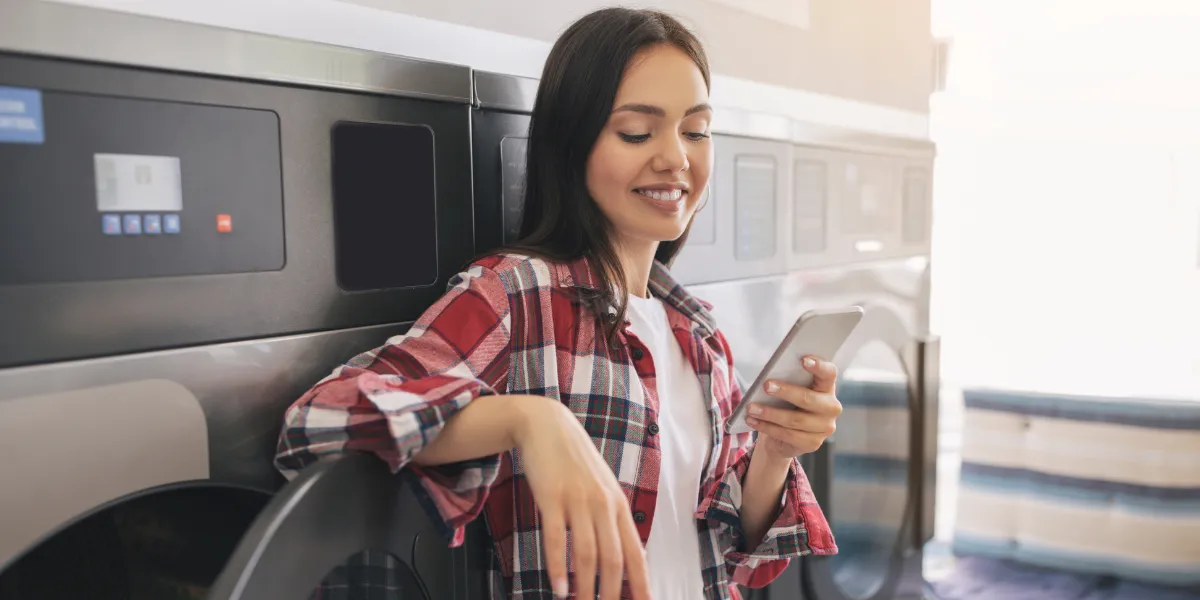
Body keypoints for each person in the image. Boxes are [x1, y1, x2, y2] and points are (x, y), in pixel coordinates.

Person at [274, 7, 841, 600]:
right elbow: (316, 422)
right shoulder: (516, 296)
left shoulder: (696, 333)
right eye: (637, 132)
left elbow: (732, 551)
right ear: (573, 145)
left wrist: (775, 451)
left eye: (695, 130)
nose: (676, 158)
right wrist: (530, 421)